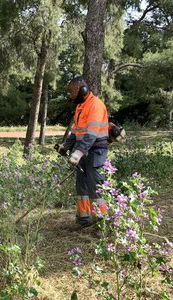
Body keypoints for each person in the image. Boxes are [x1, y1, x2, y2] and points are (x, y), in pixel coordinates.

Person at [56, 76, 109, 228]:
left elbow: (92, 134)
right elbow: (75, 132)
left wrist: (78, 153)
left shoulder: (96, 105)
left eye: (73, 93)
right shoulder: (80, 107)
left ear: (83, 90)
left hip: (95, 150)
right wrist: (65, 146)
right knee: (81, 186)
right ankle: (83, 219)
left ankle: (102, 223)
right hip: (82, 150)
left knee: (96, 186)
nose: (72, 96)